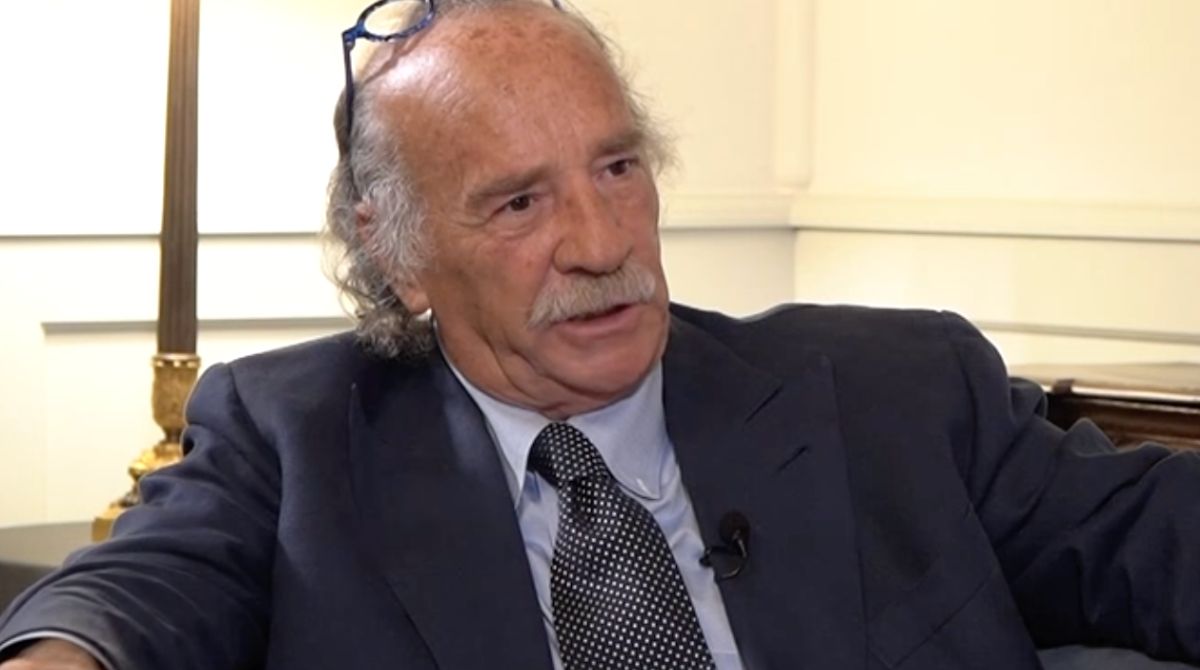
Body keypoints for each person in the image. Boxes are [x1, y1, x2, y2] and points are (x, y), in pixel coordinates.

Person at [2, 1, 1199, 668]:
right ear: (397, 252)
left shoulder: (894, 393)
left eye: (618, 168)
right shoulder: (294, 440)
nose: (600, 240)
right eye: (520, 202)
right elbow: (131, 600)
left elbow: (1155, 539)